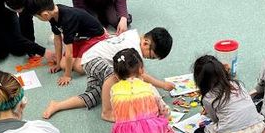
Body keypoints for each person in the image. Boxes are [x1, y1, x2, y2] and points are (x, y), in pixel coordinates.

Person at [42, 28, 175, 121]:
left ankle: (57, 105)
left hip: (92, 58)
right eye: (151, 57)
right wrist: (162, 85)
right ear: (145, 43)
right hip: (94, 59)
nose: (147, 59)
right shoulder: (135, 50)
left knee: (93, 96)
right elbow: (141, 76)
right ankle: (107, 112)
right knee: (114, 76)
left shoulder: (133, 34)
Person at [106, 48, 186, 133]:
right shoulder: (149, 88)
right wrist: (164, 119)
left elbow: (118, 114)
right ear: (141, 70)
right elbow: (164, 111)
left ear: (116, 75)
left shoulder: (114, 90)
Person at [190, 55, 265, 133]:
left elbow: (215, 120)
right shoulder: (237, 84)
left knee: (198, 132)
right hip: (255, 129)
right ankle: (263, 132)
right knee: (254, 107)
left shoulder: (208, 97)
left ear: (200, 80)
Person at [26, 0, 109, 86]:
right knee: (63, 64)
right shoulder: (52, 14)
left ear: (44, 15)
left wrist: (67, 75)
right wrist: (58, 64)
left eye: (37, 16)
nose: (37, 18)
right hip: (79, 37)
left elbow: (69, 52)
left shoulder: (68, 20)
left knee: (78, 68)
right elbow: (57, 39)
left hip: (94, 37)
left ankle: (107, 46)